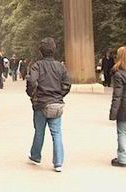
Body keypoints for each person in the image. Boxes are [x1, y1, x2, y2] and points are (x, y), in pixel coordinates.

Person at [26, 37, 71, 172]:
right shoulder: (60, 66)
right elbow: (67, 84)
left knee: (39, 131)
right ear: (54, 50)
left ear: (40, 51)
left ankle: (35, 156)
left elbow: (32, 81)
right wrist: (59, 95)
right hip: (56, 104)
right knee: (57, 133)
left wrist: (32, 94)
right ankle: (58, 162)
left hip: (41, 103)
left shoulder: (37, 66)